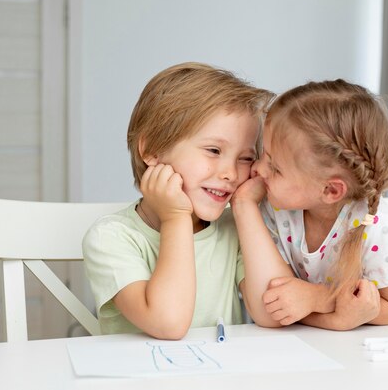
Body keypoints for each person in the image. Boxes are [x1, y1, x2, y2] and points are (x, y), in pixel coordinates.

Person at [83, 62, 274, 339]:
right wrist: (176, 218)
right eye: (213, 150)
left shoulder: (236, 226)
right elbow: (168, 323)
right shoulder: (111, 237)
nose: (230, 174)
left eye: (245, 158)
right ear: (152, 150)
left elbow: (271, 312)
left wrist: (245, 207)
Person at [233, 79, 388, 331]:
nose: (257, 169)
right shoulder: (277, 210)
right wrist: (333, 318)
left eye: (275, 168)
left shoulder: (377, 227)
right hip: (319, 344)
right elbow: (283, 301)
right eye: (263, 155)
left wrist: (318, 300)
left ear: (330, 190)